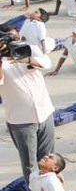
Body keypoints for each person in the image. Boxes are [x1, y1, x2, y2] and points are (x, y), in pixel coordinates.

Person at [0, 44, 56, 183]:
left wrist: (26, 59)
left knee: (47, 158)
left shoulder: (27, 49)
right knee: (30, 165)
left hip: (45, 113)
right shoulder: (3, 64)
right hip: (21, 121)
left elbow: (46, 63)